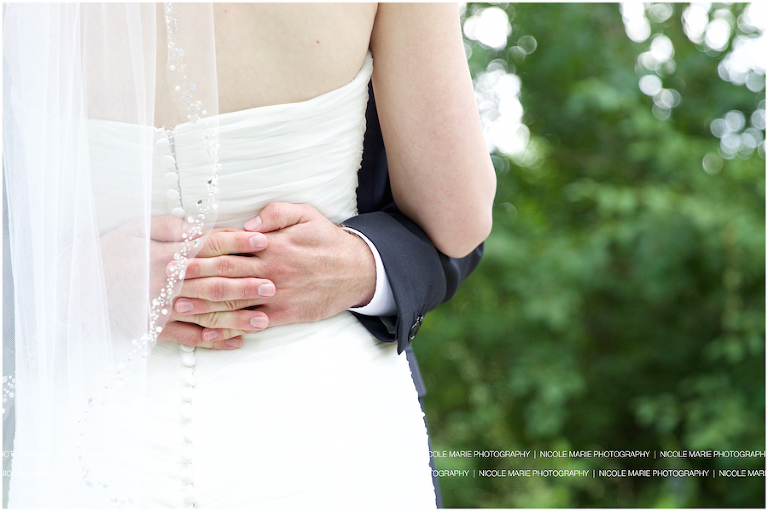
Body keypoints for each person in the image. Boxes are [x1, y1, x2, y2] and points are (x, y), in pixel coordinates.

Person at [3, 3, 495, 508]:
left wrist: (364, 265)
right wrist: (73, 285)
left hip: (100, 429)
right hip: (325, 418)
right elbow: (458, 217)